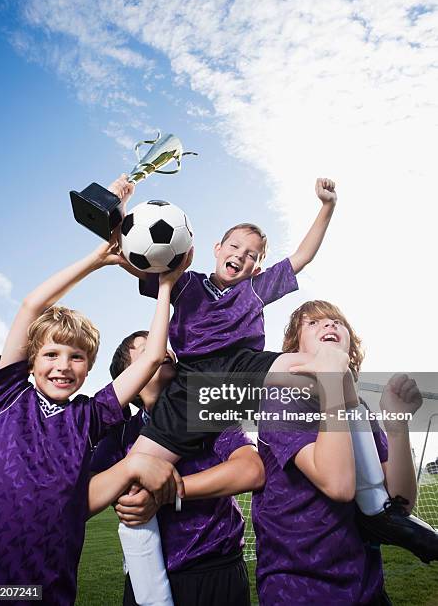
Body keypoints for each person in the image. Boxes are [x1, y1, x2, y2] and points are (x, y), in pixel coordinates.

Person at [114, 177, 338, 600]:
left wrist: (326, 206)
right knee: (132, 478)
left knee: (317, 367)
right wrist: (122, 212)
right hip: (192, 383)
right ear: (216, 247)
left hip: (241, 368)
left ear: (258, 266)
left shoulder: (256, 288)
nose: (242, 256)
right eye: (235, 246)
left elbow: (303, 256)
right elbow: (136, 256)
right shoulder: (186, 282)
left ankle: (372, 496)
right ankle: (151, 594)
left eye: (253, 255)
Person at [0, 177, 187, 606]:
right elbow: (32, 306)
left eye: (76, 358)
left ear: (89, 367)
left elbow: (149, 359)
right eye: (52, 354)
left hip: (48, 586)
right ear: (32, 361)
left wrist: (166, 286)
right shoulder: (7, 396)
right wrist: (97, 259)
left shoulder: (89, 417)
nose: (62, 366)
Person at [252, 300, 436, 605]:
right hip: (299, 585)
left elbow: (400, 502)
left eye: (337, 321)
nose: (329, 325)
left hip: (365, 583)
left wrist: (396, 424)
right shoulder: (282, 398)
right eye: (313, 323)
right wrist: (331, 382)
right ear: (294, 351)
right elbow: (338, 484)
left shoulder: (359, 410)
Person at [89, 329, 266, 606]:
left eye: (166, 345)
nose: (166, 351)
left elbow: (251, 470)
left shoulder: (207, 408)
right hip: (144, 575)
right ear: (129, 375)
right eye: (148, 348)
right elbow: (84, 495)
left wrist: (167, 492)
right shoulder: (120, 434)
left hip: (215, 572)